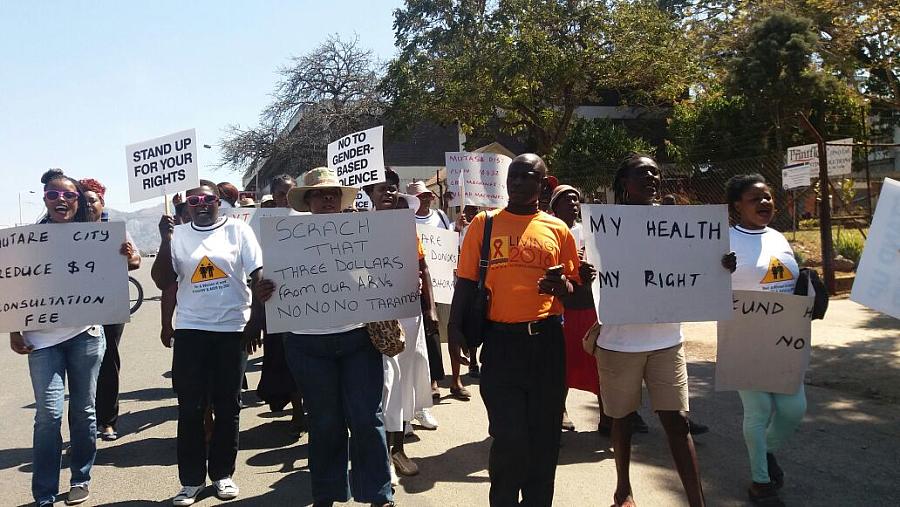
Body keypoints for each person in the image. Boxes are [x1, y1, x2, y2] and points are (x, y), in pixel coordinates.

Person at [254, 167, 394, 507]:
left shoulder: (357, 233)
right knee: (325, 421)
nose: (327, 199)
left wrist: (388, 281)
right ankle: (327, 492)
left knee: (366, 417)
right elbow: (268, 282)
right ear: (308, 201)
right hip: (306, 344)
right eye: (319, 194)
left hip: (358, 340)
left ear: (341, 200)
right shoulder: (285, 236)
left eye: (332, 193)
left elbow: (370, 281)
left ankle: (377, 492)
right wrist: (262, 291)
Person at [449, 154, 580, 506]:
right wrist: (455, 329)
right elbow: (465, 281)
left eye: (528, 177)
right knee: (509, 439)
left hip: (546, 345)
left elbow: (576, 291)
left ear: (543, 183)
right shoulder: (484, 223)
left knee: (544, 439)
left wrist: (561, 287)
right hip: (500, 345)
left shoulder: (558, 229)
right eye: (514, 176)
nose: (519, 182)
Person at [594, 154, 711, 507]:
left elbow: (695, 264)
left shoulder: (675, 223)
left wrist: (719, 264)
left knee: (677, 421)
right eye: (642, 172)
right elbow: (596, 273)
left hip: (666, 341)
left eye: (655, 172)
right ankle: (623, 489)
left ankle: (697, 501)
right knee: (622, 419)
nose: (651, 177)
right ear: (624, 183)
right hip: (619, 342)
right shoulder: (604, 225)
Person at [10, 169, 129, 506]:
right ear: (45, 199)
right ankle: (44, 492)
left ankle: (81, 477)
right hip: (41, 341)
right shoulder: (28, 241)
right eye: (52, 195)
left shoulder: (98, 236)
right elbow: (14, 286)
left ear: (78, 200)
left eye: (68, 195)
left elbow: (130, 264)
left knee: (84, 411)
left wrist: (128, 255)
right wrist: (14, 330)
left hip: (86, 337)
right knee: (47, 415)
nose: (60, 200)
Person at [151, 180, 263, 506]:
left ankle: (223, 475)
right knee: (190, 408)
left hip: (232, 331)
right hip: (191, 331)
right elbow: (162, 280)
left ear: (218, 201)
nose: (201, 204)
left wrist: (256, 321)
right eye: (194, 199)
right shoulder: (178, 235)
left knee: (228, 407)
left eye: (207, 198)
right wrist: (165, 239)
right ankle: (190, 482)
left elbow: (257, 274)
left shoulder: (239, 232)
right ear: (186, 205)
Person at [723, 174, 805, 506]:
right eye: (755, 198)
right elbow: (703, 287)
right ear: (736, 207)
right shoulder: (724, 241)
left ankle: (766, 452)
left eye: (768, 197)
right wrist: (719, 269)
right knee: (758, 411)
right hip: (745, 338)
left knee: (793, 409)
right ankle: (760, 479)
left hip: (785, 337)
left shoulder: (778, 237)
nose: (765, 203)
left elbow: (789, 278)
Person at [365, 169, 439, 480]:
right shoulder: (357, 229)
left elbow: (422, 268)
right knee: (386, 382)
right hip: (378, 317)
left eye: (392, 189)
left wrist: (430, 307)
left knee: (405, 379)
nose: (388, 193)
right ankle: (382, 453)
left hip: (409, 313)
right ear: (370, 194)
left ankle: (397, 448)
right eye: (381, 189)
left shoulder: (408, 229)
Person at [79, 178, 141, 442]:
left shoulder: (114, 231)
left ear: (102, 203)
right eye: (82, 200)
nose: (87, 205)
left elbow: (136, 261)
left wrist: (128, 256)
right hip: (77, 307)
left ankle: (107, 422)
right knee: (80, 366)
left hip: (109, 305)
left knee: (107, 360)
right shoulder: (63, 233)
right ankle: (83, 428)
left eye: (92, 200)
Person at [548, 184, 605, 433]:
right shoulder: (550, 232)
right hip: (565, 308)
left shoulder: (591, 231)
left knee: (600, 363)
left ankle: (608, 415)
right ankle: (559, 411)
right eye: (566, 200)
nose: (573, 204)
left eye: (575, 200)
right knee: (562, 364)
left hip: (591, 306)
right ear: (555, 206)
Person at [254, 173, 306, 436]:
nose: (284, 198)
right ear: (272, 197)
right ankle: (297, 409)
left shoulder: (308, 218)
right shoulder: (261, 221)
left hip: (309, 296)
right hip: (276, 298)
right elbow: (253, 260)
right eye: (279, 194)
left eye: (289, 192)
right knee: (287, 356)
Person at [407, 181, 449, 401]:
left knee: (430, 338)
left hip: (430, 287)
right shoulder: (402, 223)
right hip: (393, 302)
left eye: (427, 196)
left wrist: (430, 306)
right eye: (420, 197)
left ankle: (432, 384)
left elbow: (424, 266)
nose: (425, 199)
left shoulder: (440, 216)